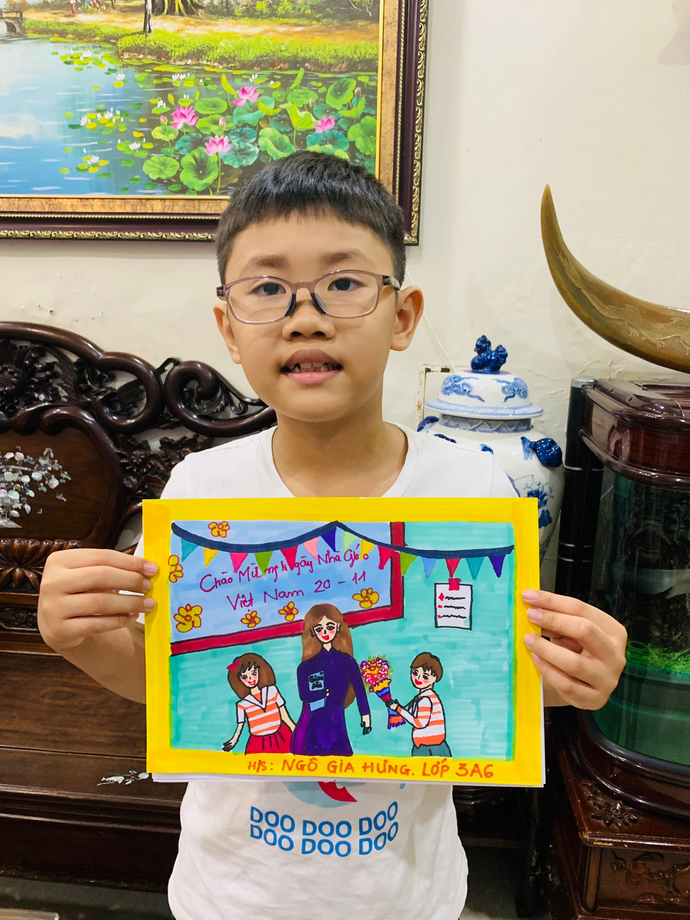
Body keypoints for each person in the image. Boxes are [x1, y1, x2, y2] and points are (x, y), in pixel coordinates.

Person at [37, 150, 628, 920]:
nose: (305, 315)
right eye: (267, 288)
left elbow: (486, 676)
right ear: (227, 327)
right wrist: (78, 638)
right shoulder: (200, 491)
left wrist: (567, 681)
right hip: (230, 894)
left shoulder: (474, 492)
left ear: (403, 316)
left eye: (344, 283)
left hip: (407, 895)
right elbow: (169, 682)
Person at [292, 603, 371, 756]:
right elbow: (304, 695)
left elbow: (360, 690)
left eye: (329, 627)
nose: (325, 632)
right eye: (319, 629)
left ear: (338, 627)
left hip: (337, 720)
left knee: (340, 755)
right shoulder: (306, 667)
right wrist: (323, 693)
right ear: (313, 632)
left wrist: (365, 715)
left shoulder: (347, 661)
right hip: (315, 722)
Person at [223, 652, 295, 754]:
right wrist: (234, 740)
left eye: (253, 673)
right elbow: (240, 725)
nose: (250, 679)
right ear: (239, 680)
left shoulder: (272, 691)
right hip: (258, 743)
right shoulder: (242, 704)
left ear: (260, 671)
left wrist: (296, 730)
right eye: (245, 677)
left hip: (281, 737)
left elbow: (284, 715)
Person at [387, 652, 451, 757]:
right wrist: (398, 709)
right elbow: (409, 713)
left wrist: (398, 709)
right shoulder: (427, 697)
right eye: (415, 673)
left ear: (435, 678)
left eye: (425, 676)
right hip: (434, 746)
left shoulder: (425, 700)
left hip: (428, 748)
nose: (418, 678)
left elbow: (419, 723)